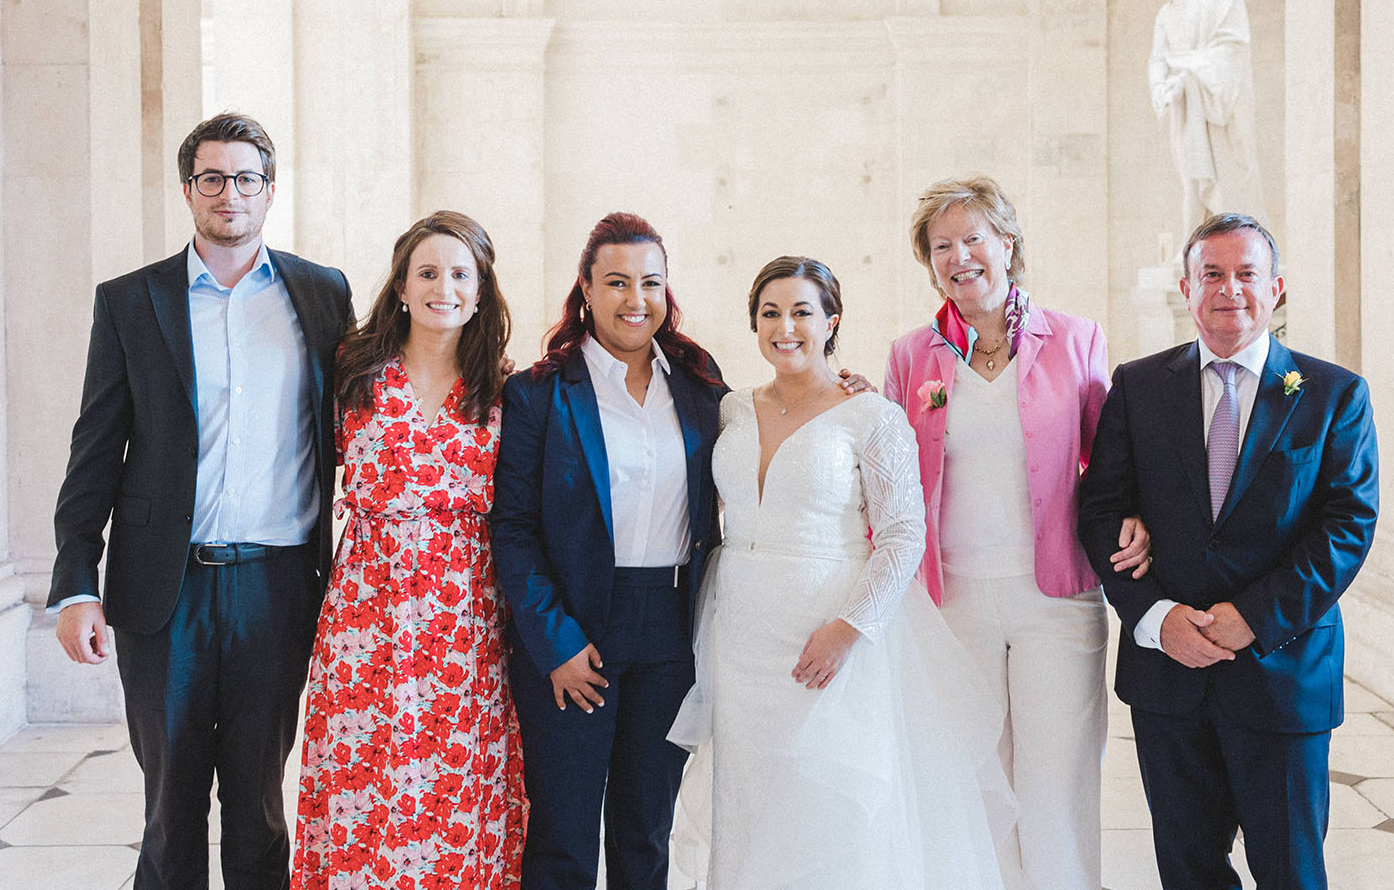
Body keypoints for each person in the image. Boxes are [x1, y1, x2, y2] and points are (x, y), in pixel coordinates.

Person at [49, 113, 353, 890]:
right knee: (170, 805)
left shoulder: (320, 296)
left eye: (246, 178)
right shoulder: (129, 301)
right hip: (164, 589)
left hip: (279, 586)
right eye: (212, 178)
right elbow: (94, 453)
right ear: (189, 191)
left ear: (270, 191)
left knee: (257, 803)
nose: (230, 193)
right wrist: (77, 582)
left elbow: (363, 421)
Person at [670, 256, 1009, 890]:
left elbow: (905, 533)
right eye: (770, 313)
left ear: (831, 321)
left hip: (828, 633)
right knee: (748, 793)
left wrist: (849, 627)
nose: (785, 326)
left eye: (802, 311)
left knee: (828, 798)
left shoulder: (872, 417)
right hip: (740, 634)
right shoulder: (731, 411)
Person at [1077, 213, 1379, 890]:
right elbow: (1099, 512)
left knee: (1291, 871)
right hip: (1169, 679)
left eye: (1246, 273)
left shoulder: (1333, 395)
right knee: (1189, 871)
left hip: (1282, 673)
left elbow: (1347, 524)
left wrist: (1256, 617)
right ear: (1188, 288)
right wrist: (1154, 619)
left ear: (1275, 288)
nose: (1229, 289)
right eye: (1212, 273)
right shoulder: (1138, 385)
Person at [882, 175, 1149, 890]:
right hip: (952, 600)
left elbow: (1112, 463)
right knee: (978, 784)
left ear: (1008, 244)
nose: (959, 256)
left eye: (973, 238)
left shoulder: (1074, 339)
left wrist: (1138, 521)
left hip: (1056, 598)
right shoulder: (911, 356)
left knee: (1055, 784)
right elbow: (889, 472)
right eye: (941, 246)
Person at [488, 212, 727, 890]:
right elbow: (513, 528)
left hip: (670, 626)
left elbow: (764, 432)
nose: (635, 299)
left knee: (646, 830)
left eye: (650, 283)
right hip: (572, 626)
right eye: (617, 282)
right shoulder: (539, 392)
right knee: (563, 836)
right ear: (586, 290)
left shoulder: (698, 381)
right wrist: (555, 642)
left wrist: (841, 393)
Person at [292, 211, 526, 889]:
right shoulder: (350, 372)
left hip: (465, 628)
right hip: (366, 621)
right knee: (364, 787)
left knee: (456, 790)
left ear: (481, 291)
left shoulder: (507, 388)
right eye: (427, 272)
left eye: (460, 274)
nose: (442, 287)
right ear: (401, 285)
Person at [1149, 0, 1264, 237]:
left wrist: (1186, 72)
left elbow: (1231, 46)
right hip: (1185, 106)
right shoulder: (1167, 12)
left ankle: (1232, 239)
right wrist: (1161, 87)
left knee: (1221, 175)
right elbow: (1158, 58)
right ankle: (1192, 244)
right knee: (1191, 178)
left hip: (1216, 101)